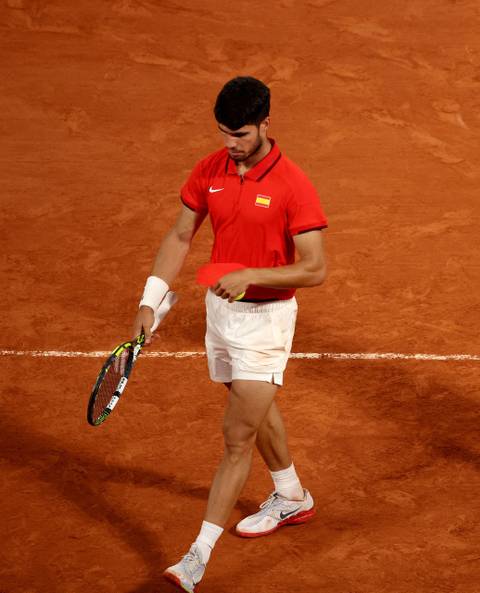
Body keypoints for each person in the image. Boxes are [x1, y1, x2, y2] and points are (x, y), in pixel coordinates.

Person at [130, 76, 328, 590]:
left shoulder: (293, 185)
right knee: (253, 407)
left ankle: (196, 556)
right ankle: (290, 495)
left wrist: (251, 275)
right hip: (220, 317)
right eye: (223, 133)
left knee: (236, 437)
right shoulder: (211, 169)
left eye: (239, 134)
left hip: (266, 322)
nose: (230, 144)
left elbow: (314, 268)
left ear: (266, 123)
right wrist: (150, 301)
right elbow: (179, 235)